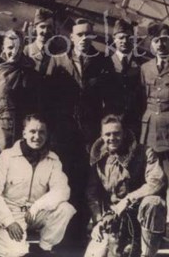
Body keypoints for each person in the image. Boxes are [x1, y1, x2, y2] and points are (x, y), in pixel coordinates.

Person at [46, 17, 112, 244]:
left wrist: (105, 132)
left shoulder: (103, 62)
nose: (84, 39)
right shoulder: (57, 61)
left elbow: (112, 101)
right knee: (66, 184)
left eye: (88, 34)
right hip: (64, 137)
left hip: (92, 136)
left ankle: (86, 234)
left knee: (90, 184)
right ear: (71, 37)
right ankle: (65, 236)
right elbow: (47, 101)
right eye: (80, 34)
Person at [0, 114, 75, 257]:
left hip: (35, 213)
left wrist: (37, 206)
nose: (37, 136)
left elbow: (62, 190)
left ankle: (44, 248)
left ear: (47, 135)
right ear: (24, 133)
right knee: (15, 254)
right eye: (32, 132)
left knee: (66, 209)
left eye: (42, 132)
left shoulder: (52, 159)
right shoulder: (6, 157)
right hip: (12, 212)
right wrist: (8, 222)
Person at [85, 114, 165, 257]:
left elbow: (156, 181)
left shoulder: (145, 153)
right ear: (102, 136)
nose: (112, 138)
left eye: (116, 133)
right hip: (113, 218)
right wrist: (99, 220)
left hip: (139, 216)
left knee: (154, 203)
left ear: (124, 134)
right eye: (107, 134)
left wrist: (128, 199)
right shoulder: (99, 159)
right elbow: (92, 194)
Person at [0, 30, 40, 155]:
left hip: (24, 135)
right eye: (10, 47)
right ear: (3, 47)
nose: (14, 52)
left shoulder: (31, 73)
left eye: (18, 47)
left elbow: (37, 108)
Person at [139, 22, 169, 239]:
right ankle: (153, 231)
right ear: (151, 44)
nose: (161, 45)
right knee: (153, 181)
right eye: (157, 41)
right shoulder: (145, 68)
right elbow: (143, 99)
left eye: (165, 40)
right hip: (150, 132)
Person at [105, 19, 143, 139]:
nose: (125, 41)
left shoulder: (142, 64)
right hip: (112, 122)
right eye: (121, 37)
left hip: (136, 122)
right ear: (114, 38)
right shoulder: (105, 63)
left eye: (129, 38)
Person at [24, 8, 54, 77]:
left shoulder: (57, 52)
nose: (46, 31)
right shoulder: (26, 50)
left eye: (49, 27)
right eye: (42, 27)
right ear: (35, 29)